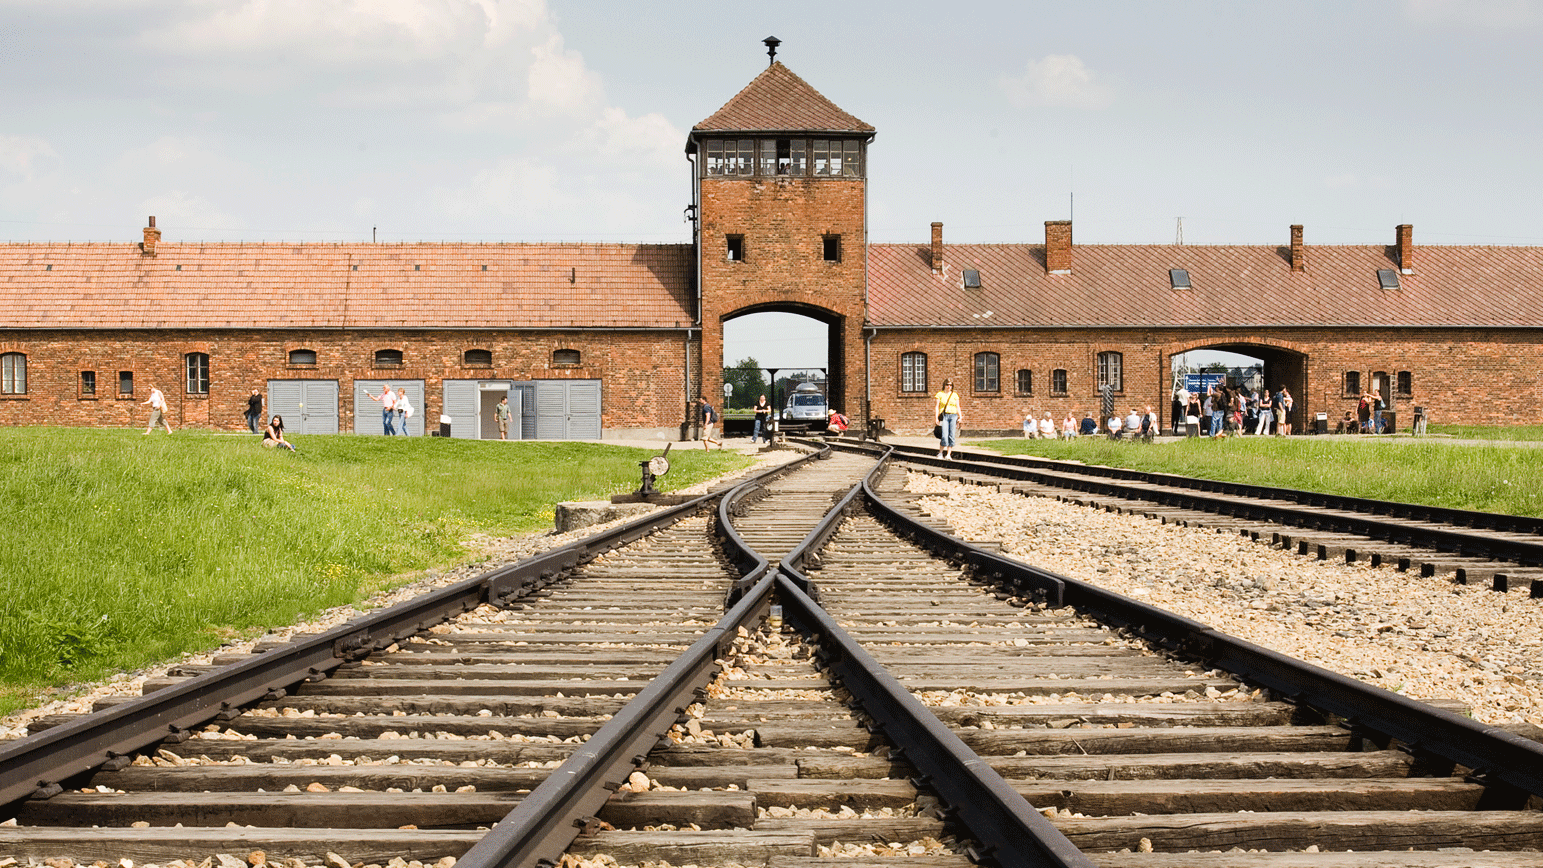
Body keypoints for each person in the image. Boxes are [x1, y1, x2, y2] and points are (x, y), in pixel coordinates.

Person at [934, 379, 961, 459]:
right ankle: (940, 453)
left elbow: (958, 407)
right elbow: (937, 407)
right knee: (944, 435)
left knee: (951, 435)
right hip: (944, 416)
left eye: (950, 385)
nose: (949, 386)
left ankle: (948, 454)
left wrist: (960, 417)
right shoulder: (939, 394)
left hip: (953, 416)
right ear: (944, 385)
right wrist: (936, 418)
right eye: (947, 385)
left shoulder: (955, 395)